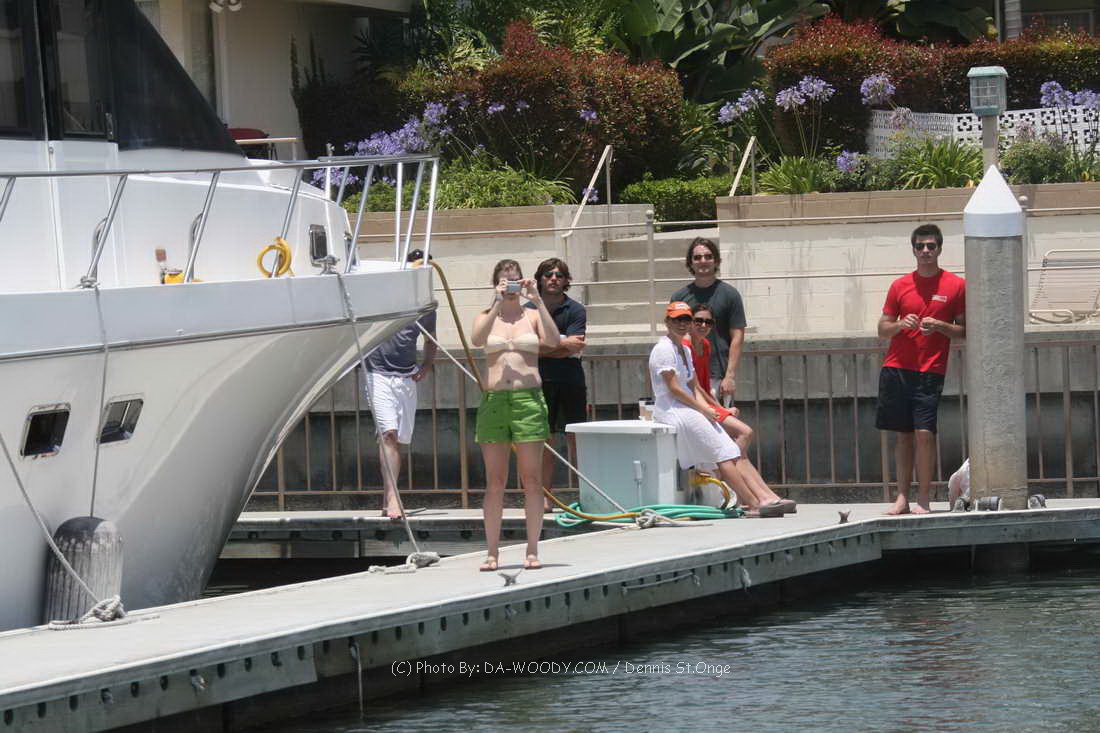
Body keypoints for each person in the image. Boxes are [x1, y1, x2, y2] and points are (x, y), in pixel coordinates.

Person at [650, 301, 793, 516]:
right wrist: (704, 410)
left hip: (689, 407)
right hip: (673, 409)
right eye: (677, 319)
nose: (682, 323)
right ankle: (754, 503)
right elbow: (674, 389)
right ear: (667, 321)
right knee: (723, 451)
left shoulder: (684, 350)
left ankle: (758, 500)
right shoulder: (664, 349)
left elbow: (692, 386)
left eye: (686, 319)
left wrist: (709, 409)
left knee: (729, 449)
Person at [471, 259, 561, 571]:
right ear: (495, 284)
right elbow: (477, 340)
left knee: (531, 479)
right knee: (495, 481)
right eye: (504, 281)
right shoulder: (486, 315)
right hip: (495, 400)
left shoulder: (533, 315)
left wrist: (537, 299)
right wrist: (497, 302)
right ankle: (492, 552)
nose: (510, 286)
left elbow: (554, 341)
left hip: (528, 400)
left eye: (515, 281)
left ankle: (532, 550)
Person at [876, 223, 966, 515]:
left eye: (931, 246)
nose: (925, 251)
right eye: (920, 246)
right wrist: (901, 324)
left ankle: (924, 498)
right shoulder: (900, 285)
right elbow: (882, 328)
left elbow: (965, 330)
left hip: (931, 371)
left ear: (939, 249)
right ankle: (902, 497)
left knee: (925, 433)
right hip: (897, 368)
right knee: (903, 435)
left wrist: (940, 326)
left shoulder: (955, 285)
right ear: (913, 250)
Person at [363, 249, 437, 519]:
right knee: (389, 434)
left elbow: (431, 339)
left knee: (398, 440)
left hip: (406, 376)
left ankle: (388, 498)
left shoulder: (426, 306)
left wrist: (427, 365)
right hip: (378, 374)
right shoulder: (382, 296)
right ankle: (394, 498)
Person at [527, 257, 587, 510]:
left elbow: (575, 346)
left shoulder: (576, 310)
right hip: (538, 380)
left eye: (559, 275)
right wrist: (561, 343)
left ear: (566, 280)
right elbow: (527, 348)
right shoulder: (527, 310)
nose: (553, 279)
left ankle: (588, 493)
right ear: (539, 279)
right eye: (548, 274)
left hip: (571, 379)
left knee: (577, 438)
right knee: (545, 440)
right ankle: (545, 497)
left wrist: (544, 345)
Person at [670, 237, 747, 403]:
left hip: (718, 377)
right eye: (697, 257)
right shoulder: (679, 297)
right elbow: (674, 337)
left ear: (716, 261)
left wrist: (730, 376)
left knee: (720, 419)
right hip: (686, 377)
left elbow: (737, 337)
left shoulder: (730, 295)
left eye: (708, 256)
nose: (703, 261)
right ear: (690, 263)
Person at [684, 303, 753, 455]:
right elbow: (694, 387)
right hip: (692, 406)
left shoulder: (705, 345)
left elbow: (704, 387)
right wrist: (716, 409)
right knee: (744, 433)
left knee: (741, 437)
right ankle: (729, 466)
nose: (704, 325)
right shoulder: (685, 346)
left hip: (704, 403)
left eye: (708, 322)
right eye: (698, 321)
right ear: (690, 322)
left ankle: (729, 466)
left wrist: (719, 408)